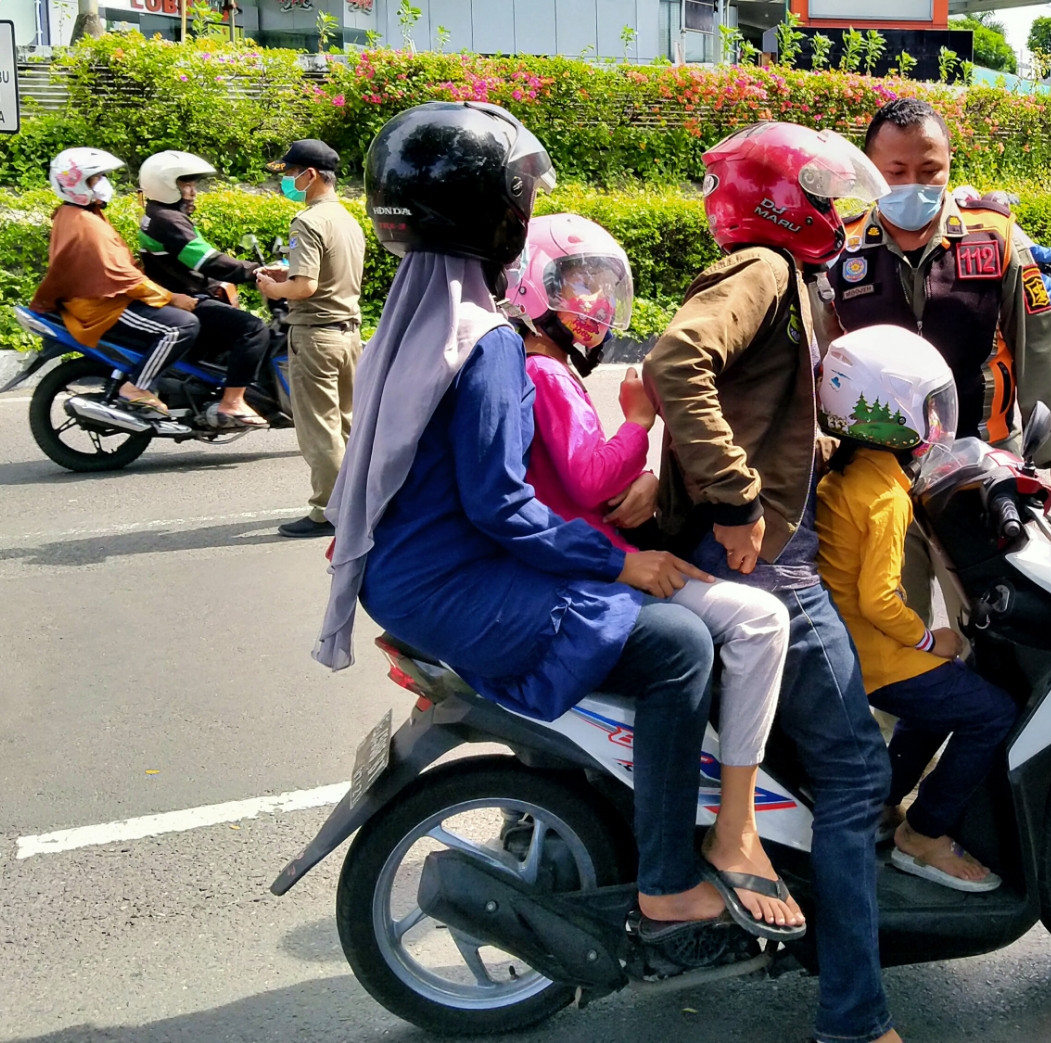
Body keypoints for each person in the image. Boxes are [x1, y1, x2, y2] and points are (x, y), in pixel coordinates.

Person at [310, 101, 740, 948]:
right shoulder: (489, 342)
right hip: (452, 581)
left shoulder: (416, 317)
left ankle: (580, 811)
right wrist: (624, 569)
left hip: (409, 572)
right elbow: (502, 505)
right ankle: (665, 880)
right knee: (680, 644)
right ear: (500, 214)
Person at [644, 120, 902, 1043]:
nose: (838, 213)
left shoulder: (787, 276)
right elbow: (676, 362)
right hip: (767, 563)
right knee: (855, 770)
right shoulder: (761, 268)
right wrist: (739, 496)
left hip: (758, 546)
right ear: (783, 199)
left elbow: (760, 408)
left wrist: (839, 443)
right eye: (824, 195)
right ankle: (855, 1018)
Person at [505, 212, 802, 937]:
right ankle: (732, 828)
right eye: (577, 283)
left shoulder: (532, 366)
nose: (595, 302)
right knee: (762, 621)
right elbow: (587, 473)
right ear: (534, 287)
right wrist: (639, 421)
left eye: (602, 286)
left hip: (585, 551)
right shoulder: (544, 370)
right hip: (593, 566)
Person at [833, 98, 1051, 625]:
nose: (913, 184)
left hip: (985, 462)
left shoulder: (994, 236)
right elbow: (820, 357)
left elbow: (1038, 340)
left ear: (949, 164)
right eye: (895, 172)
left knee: (999, 617)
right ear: (871, 172)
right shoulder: (843, 248)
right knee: (892, 624)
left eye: (929, 170)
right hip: (878, 474)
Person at [813, 325, 1017, 893]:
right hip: (878, 656)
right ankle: (925, 834)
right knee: (990, 712)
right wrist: (933, 640)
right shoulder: (885, 498)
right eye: (926, 409)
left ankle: (882, 806)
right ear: (893, 414)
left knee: (935, 705)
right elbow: (881, 597)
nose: (935, 422)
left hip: (847, 645)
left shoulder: (847, 473)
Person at [29, 148, 200, 417]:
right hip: (105, 308)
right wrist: (170, 297)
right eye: (96, 178)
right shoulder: (85, 223)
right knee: (182, 326)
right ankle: (138, 388)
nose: (104, 184)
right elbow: (122, 276)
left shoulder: (76, 214)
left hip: (102, 299)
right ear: (76, 183)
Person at [258, 139, 366, 539]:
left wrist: (274, 288)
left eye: (290, 173)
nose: (287, 181)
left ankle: (328, 512)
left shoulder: (308, 222)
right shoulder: (347, 220)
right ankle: (360, 502)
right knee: (348, 426)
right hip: (349, 335)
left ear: (311, 175)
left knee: (320, 430)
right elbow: (330, 275)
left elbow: (304, 287)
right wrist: (287, 272)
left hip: (316, 336)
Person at [136, 149, 271, 428]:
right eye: (185, 184)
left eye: (192, 184)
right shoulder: (168, 220)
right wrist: (255, 270)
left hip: (183, 294)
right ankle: (232, 403)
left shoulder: (161, 214)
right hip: (186, 299)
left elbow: (199, 257)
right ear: (166, 185)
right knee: (253, 329)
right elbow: (206, 260)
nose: (192, 191)